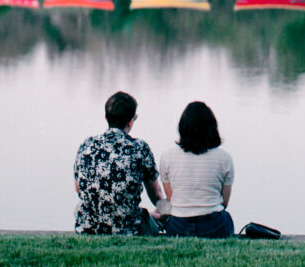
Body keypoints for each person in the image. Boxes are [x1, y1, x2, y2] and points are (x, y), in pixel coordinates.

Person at [73, 90, 167, 235]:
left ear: (106, 118)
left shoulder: (86, 145)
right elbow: (156, 195)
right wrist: (168, 211)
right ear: (130, 121)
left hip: (89, 228)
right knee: (158, 217)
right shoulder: (140, 148)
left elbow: (79, 188)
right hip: (127, 229)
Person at [159, 101, 234, 238]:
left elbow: (172, 199)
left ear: (182, 127)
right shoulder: (225, 158)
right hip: (214, 225)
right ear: (212, 128)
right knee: (226, 217)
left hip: (178, 226)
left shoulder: (167, 157)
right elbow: (224, 202)